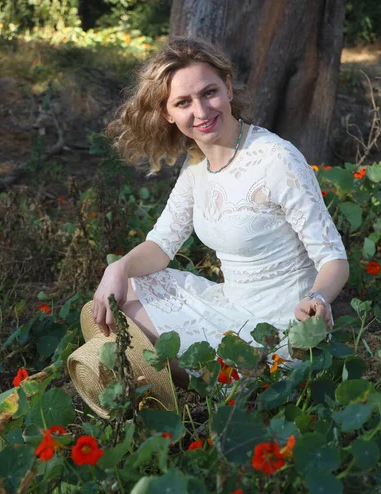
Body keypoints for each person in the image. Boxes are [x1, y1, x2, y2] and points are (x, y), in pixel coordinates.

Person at [92, 37, 349, 388]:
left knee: (131, 317)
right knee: (130, 288)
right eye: (183, 102)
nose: (201, 111)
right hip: (231, 306)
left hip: (283, 330)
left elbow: (334, 258)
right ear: (168, 113)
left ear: (228, 87)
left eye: (209, 92)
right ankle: (154, 380)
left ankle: (220, 383)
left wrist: (317, 299)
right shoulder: (196, 166)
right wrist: (117, 267)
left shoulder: (276, 158)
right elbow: (161, 246)